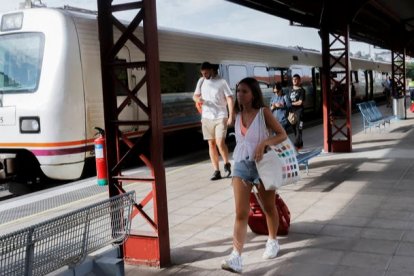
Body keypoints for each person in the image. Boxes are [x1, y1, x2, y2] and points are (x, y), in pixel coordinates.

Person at [221, 77, 287, 273]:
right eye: (238, 91)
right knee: (241, 213)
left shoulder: (263, 113)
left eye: (244, 92)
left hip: (263, 165)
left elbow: (282, 134)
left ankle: (273, 241)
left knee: (268, 207)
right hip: (242, 165)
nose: (239, 95)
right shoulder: (237, 114)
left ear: (254, 94)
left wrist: (264, 143)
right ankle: (236, 256)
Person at [193, 62, 234, 181]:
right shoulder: (201, 81)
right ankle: (216, 171)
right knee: (211, 143)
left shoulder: (222, 82)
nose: (204, 75)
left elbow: (230, 99)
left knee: (220, 142)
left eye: (206, 73)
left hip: (221, 116)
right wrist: (198, 99)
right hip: (206, 117)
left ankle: (226, 163)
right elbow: (194, 96)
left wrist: (231, 115)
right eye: (202, 73)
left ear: (211, 70)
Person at [288, 74, 305, 149]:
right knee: (294, 128)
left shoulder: (302, 90)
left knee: (299, 128)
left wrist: (291, 103)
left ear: (299, 80)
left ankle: (296, 145)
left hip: (300, 112)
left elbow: (300, 102)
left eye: (296, 79)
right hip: (292, 112)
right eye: (293, 79)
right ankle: (300, 143)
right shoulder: (290, 89)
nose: (294, 80)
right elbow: (288, 100)